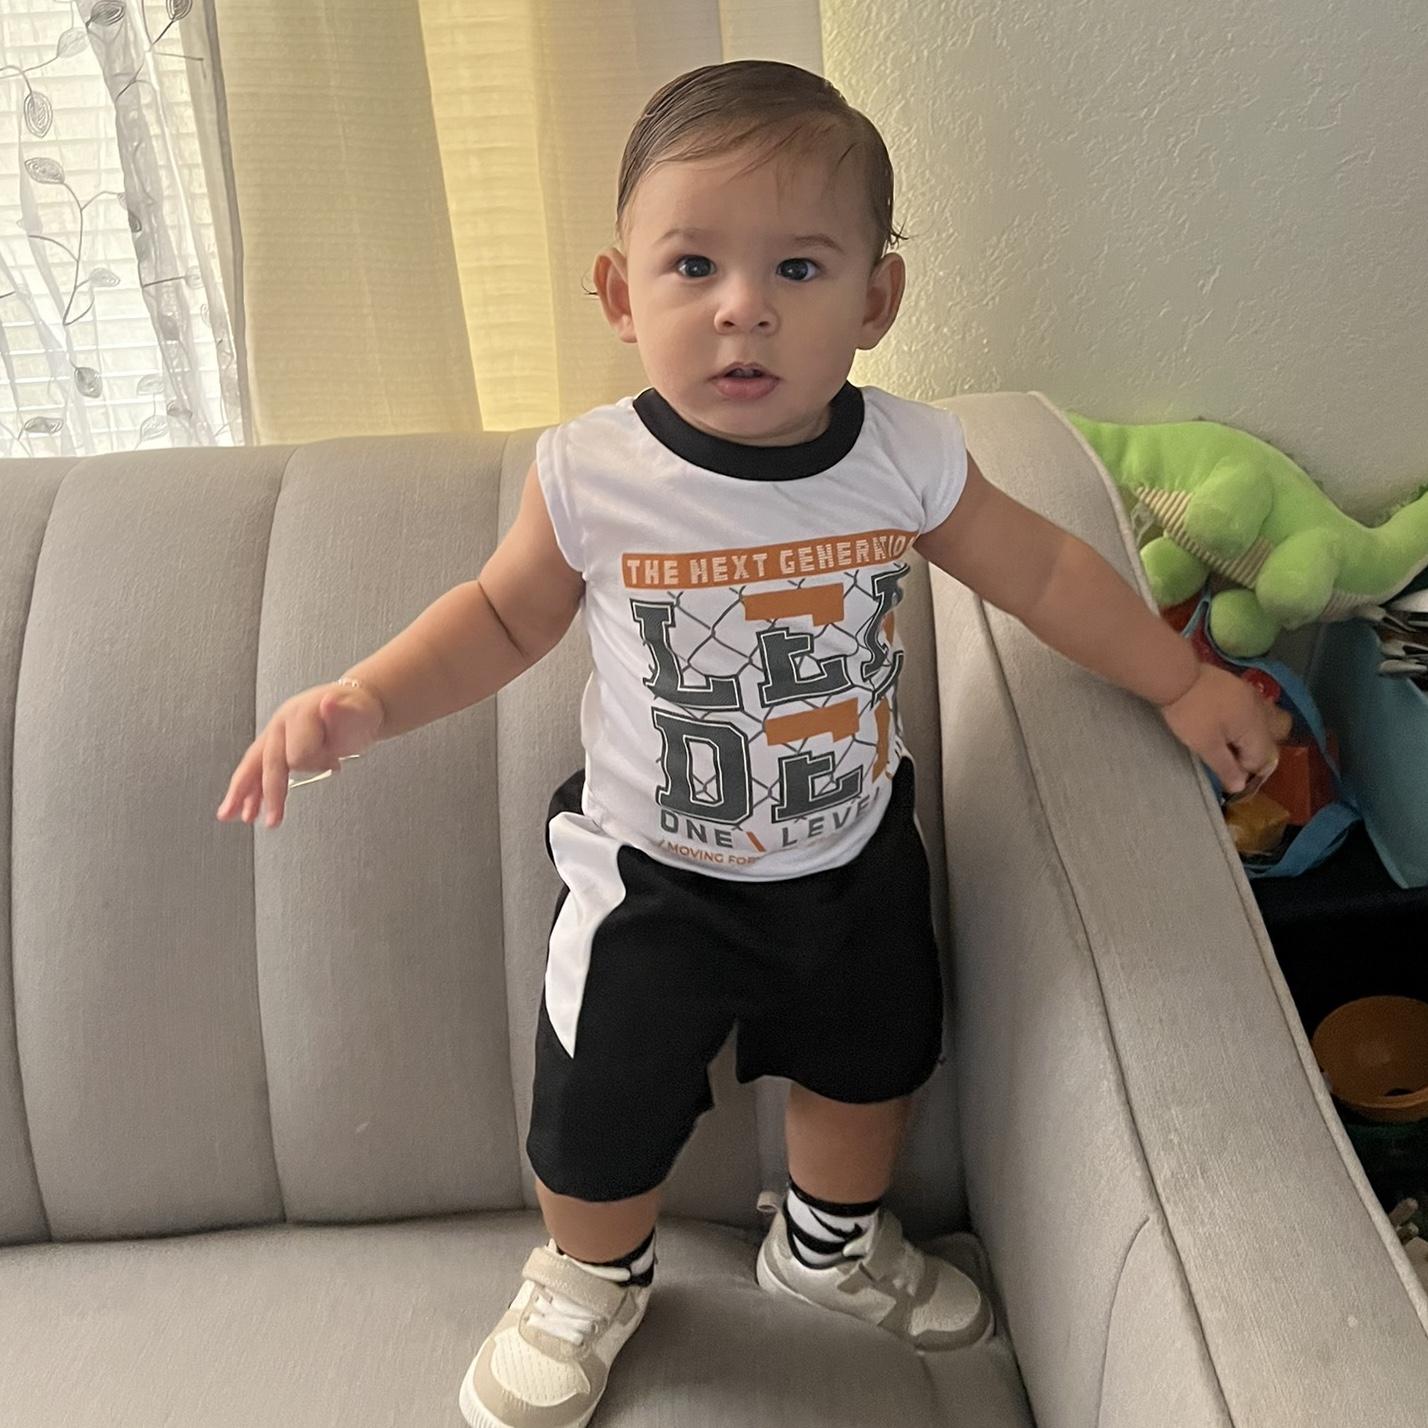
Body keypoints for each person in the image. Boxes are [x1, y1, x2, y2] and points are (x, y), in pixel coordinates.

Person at [216, 59, 1290, 1428]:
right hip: (652, 879)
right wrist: (363, 700)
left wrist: (1181, 682)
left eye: (797, 266)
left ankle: (829, 1248)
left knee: (871, 1069)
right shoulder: (595, 475)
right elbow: (497, 617)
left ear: (876, 301)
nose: (743, 307)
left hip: (851, 857)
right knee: (600, 1110)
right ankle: (588, 1277)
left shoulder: (907, 458)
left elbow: (1046, 574)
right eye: (693, 266)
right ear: (620, 295)